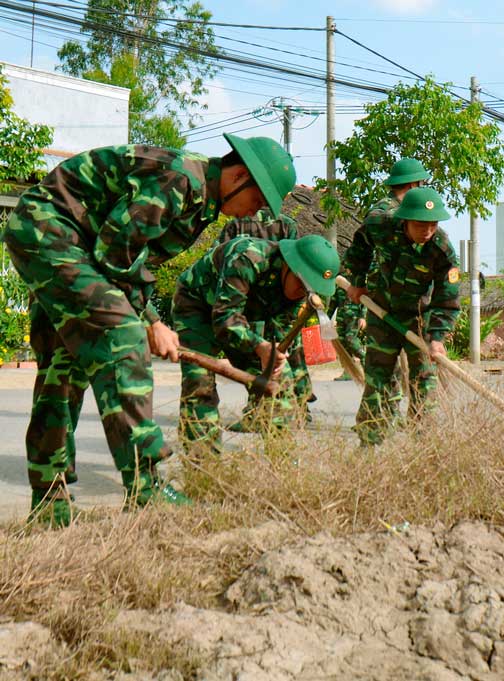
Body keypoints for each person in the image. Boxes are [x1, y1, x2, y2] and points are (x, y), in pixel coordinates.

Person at [3, 133, 295, 525]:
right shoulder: (182, 180)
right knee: (122, 336)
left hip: (75, 245)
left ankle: (49, 500)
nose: (252, 213)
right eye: (256, 200)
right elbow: (116, 253)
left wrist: (145, 314)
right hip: (50, 230)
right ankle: (146, 487)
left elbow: (137, 258)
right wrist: (152, 322)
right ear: (239, 175)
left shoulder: (201, 202)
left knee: (65, 365)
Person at [172, 235, 338, 451]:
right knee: (199, 386)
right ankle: (203, 468)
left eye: (309, 289)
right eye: (301, 283)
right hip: (198, 307)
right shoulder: (248, 258)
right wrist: (260, 347)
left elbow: (279, 333)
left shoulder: (298, 291)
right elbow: (225, 319)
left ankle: (281, 466)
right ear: (289, 265)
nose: (302, 292)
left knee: (280, 385)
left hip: (244, 317)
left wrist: (276, 362)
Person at [344, 187, 460, 445]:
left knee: (424, 382)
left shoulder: (441, 249)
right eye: (420, 225)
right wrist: (357, 282)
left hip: (420, 320)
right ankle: (370, 442)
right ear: (405, 219)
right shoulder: (380, 225)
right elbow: (358, 249)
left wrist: (437, 338)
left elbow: (448, 298)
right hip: (382, 313)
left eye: (432, 224)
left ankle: (422, 445)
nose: (427, 231)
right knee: (378, 378)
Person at [216, 210, 316, 427]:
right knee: (281, 354)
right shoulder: (285, 224)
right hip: (263, 295)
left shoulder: (236, 222)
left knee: (274, 357)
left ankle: (278, 409)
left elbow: (220, 257)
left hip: (257, 296)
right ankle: (291, 406)